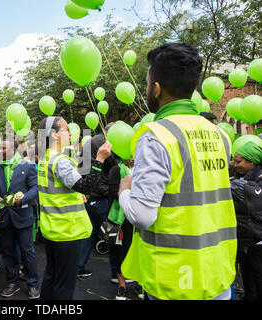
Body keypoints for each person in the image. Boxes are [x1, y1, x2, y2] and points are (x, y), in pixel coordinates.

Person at [118, 43, 237, 300]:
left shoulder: (156, 136)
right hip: (217, 274)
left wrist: (124, 191)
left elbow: (141, 215)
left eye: (148, 83)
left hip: (174, 279)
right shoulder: (219, 134)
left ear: (157, 88)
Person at [37, 116, 112, 300]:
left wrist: (78, 193)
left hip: (52, 228)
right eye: (66, 130)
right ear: (54, 135)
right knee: (64, 285)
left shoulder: (46, 158)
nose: (70, 133)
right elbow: (87, 186)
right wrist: (99, 160)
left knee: (51, 277)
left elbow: (65, 188)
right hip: (67, 230)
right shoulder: (59, 161)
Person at [0, 139, 40, 300]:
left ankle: (33, 284)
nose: (0, 150)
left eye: (4, 148)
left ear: (14, 149)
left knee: (27, 251)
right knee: (7, 252)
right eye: (0, 148)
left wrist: (23, 199)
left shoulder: (28, 166)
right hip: (4, 217)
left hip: (23, 215)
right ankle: (13, 282)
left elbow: (35, 188)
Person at [77, 122, 118, 280]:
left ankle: (79, 266)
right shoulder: (105, 143)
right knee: (111, 232)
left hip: (90, 195)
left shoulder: (91, 142)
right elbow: (113, 167)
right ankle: (116, 273)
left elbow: (81, 168)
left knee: (91, 232)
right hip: (102, 196)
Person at [106, 156, 143, 300]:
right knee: (120, 251)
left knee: (139, 251)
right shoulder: (115, 170)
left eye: (135, 155)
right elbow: (113, 192)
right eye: (130, 155)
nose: (133, 158)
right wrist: (129, 192)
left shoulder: (142, 169)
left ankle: (140, 284)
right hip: (119, 218)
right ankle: (122, 286)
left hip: (139, 216)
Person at [230, 141, 262, 300]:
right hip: (245, 245)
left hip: (257, 245)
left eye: (238, 161)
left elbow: (246, 192)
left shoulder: (253, 181)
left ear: (252, 162)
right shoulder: (242, 177)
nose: (234, 164)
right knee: (249, 287)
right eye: (233, 160)